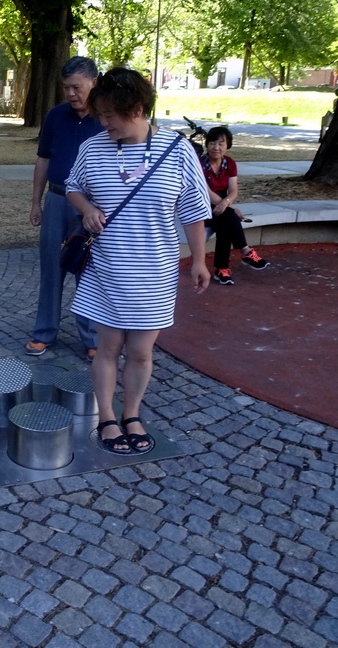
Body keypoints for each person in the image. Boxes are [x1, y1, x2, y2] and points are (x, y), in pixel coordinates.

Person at [65, 67, 211, 455]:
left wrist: (199, 260)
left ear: (139, 108)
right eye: (101, 114)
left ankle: (132, 413)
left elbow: (194, 209)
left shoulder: (177, 151)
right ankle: (106, 417)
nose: (104, 121)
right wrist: (86, 208)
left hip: (155, 273)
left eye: (111, 114)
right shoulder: (93, 148)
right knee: (107, 349)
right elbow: (73, 187)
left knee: (142, 352)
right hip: (108, 269)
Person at [26, 56, 102, 360]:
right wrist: (35, 202)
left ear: (94, 82)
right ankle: (44, 333)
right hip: (57, 200)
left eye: (77, 87)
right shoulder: (55, 116)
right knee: (51, 267)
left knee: (89, 269)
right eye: (66, 88)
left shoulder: (106, 118)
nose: (71, 94)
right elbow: (43, 159)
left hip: (91, 205)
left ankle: (92, 338)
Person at [201, 126, 269, 285]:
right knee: (229, 218)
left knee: (225, 224)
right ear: (207, 144)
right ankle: (244, 252)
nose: (216, 148)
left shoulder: (230, 163)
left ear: (227, 146)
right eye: (212, 143)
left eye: (221, 144)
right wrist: (230, 208)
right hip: (201, 205)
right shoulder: (199, 164)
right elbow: (206, 192)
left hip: (220, 206)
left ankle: (222, 270)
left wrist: (227, 203)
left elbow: (233, 191)